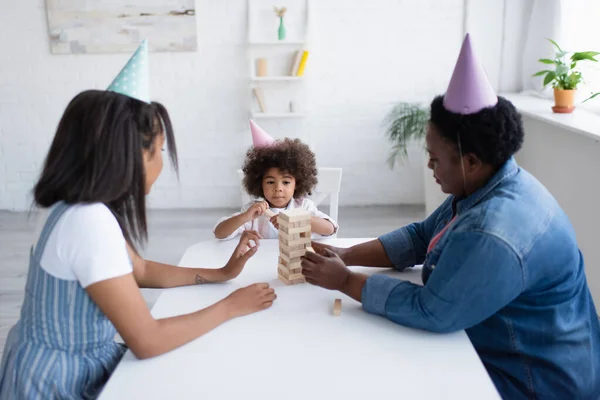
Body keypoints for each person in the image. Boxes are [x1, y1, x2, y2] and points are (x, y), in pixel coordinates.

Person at [301, 34, 600, 399]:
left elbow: (433, 312)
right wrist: (346, 255)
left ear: (470, 161)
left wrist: (346, 281)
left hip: (534, 376)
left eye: (435, 157)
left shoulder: (496, 231)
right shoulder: (484, 183)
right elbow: (421, 238)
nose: (429, 164)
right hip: (492, 342)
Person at [0, 40, 276, 399]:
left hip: (49, 361)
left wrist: (221, 274)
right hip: (58, 382)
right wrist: (229, 307)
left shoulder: (78, 207)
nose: (161, 163)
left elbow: (139, 270)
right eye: (158, 151)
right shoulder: (88, 223)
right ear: (127, 156)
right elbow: (147, 339)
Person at [214, 120, 338, 240]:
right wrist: (245, 217)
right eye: (270, 182)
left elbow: (330, 229)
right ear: (259, 183)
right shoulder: (253, 210)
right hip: (261, 260)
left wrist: (300, 219)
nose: (278, 188)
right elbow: (219, 233)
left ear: (297, 183)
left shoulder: (304, 207)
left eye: (286, 182)